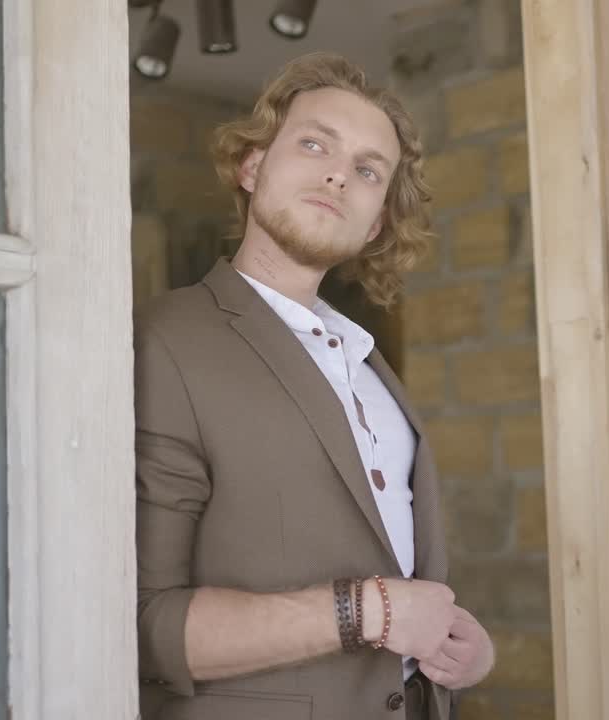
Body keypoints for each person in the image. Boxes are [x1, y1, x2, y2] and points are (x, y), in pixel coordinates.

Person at [134, 52, 493, 719]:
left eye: (368, 170)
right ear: (251, 167)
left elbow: (396, 582)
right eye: (313, 144)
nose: (338, 174)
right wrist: (370, 610)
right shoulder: (162, 339)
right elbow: (142, 624)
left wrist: (451, 648)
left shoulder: (368, 363)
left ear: (376, 221)